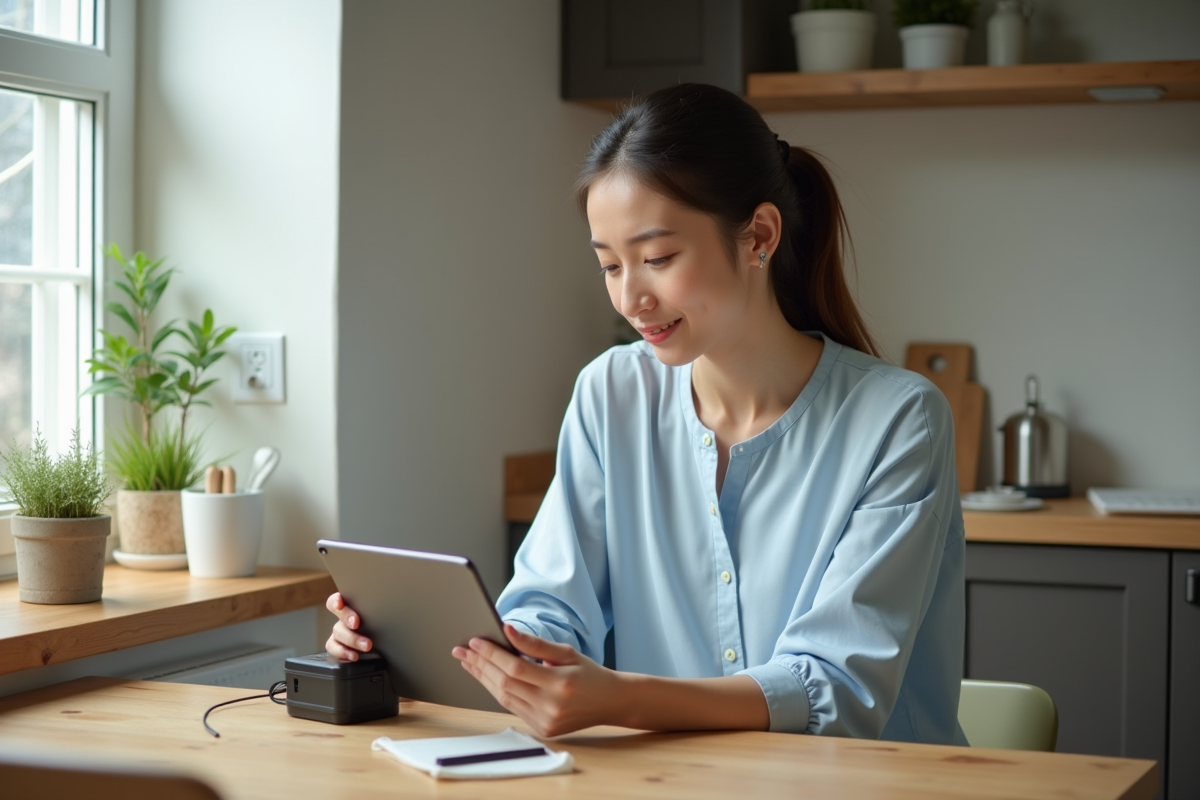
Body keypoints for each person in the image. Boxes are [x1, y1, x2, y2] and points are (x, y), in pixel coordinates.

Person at [326, 83, 967, 745]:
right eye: (610, 265)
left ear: (759, 237)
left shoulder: (899, 421)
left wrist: (620, 699)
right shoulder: (611, 393)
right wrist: (424, 646)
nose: (631, 298)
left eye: (657, 259)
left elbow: (839, 688)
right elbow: (549, 608)